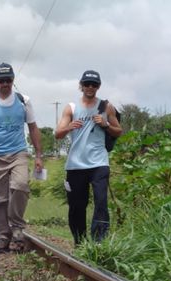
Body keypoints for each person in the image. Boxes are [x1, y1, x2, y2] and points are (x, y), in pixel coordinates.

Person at [0, 63, 43, 254]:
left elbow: (32, 127)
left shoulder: (24, 101)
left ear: (13, 81)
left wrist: (39, 155)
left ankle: (17, 227)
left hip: (18, 153)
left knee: (21, 185)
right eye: (1, 81)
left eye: (8, 80)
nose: (5, 84)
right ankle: (1, 238)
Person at [55, 70, 122, 246]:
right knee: (77, 206)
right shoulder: (71, 107)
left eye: (94, 84)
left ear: (98, 86)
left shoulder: (106, 106)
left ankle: (98, 242)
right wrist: (69, 126)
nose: (90, 87)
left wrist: (106, 124)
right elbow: (58, 133)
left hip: (99, 162)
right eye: (87, 84)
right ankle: (80, 242)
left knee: (101, 202)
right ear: (81, 86)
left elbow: (118, 131)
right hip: (76, 164)